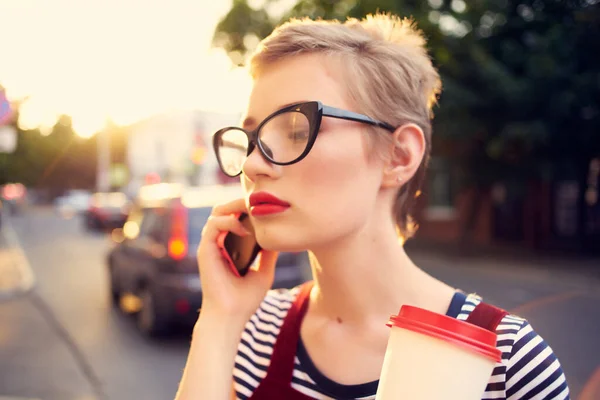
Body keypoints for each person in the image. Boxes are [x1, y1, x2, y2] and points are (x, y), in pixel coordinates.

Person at [175, 13, 570, 400]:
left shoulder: (508, 363)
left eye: (296, 129)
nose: (251, 164)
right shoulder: (254, 327)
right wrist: (219, 318)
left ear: (398, 156)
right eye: (251, 137)